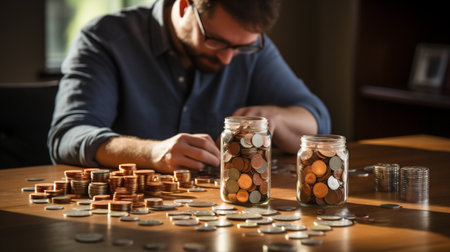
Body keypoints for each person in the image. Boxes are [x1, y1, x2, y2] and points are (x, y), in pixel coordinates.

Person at [48, 0, 331, 174]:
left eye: (241, 47)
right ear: (185, 6)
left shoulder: (250, 50)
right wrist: (151, 153)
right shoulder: (104, 38)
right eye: (216, 41)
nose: (228, 57)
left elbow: (318, 121)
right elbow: (68, 135)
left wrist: (276, 118)